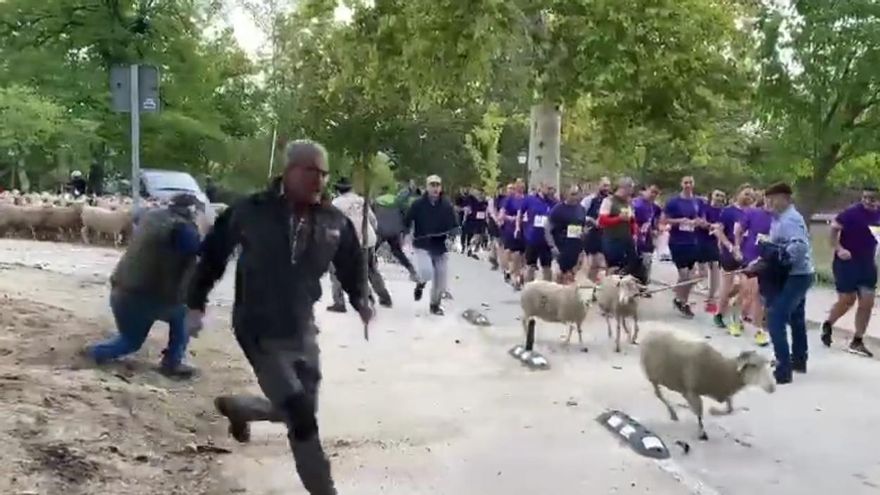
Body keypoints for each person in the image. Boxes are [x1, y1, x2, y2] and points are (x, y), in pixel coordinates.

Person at [187, 140, 371, 495]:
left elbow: (351, 263)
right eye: (310, 171)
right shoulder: (250, 211)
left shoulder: (334, 221)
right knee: (301, 417)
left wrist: (361, 297)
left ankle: (240, 407)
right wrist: (195, 303)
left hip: (302, 328)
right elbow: (212, 256)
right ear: (288, 172)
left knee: (298, 409)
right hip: (258, 328)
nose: (318, 180)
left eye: (323, 173)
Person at [84, 193, 202, 379]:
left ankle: (93, 353)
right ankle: (172, 363)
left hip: (121, 288)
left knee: (129, 340)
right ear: (192, 211)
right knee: (183, 317)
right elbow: (197, 252)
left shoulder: (150, 216)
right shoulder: (184, 230)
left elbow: (137, 214)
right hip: (146, 295)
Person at [760, 182, 814, 384]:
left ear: (785, 198)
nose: (769, 202)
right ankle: (799, 359)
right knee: (796, 317)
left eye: (772, 198)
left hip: (796, 275)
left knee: (776, 317)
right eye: (767, 199)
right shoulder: (779, 219)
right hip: (796, 274)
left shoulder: (790, 219)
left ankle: (783, 369)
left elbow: (798, 247)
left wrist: (780, 259)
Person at [823, 187, 880, 357]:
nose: (867, 201)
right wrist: (839, 248)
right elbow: (833, 229)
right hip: (846, 262)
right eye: (865, 198)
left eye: (872, 198)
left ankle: (857, 340)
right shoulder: (851, 213)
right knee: (847, 299)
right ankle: (828, 323)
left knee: (867, 302)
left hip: (867, 263)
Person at [713, 185, 769, 345]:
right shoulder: (730, 211)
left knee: (753, 292)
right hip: (734, 254)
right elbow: (724, 231)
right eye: (746, 193)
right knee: (735, 287)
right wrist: (732, 246)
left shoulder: (767, 215)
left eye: (752, 194)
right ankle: (721, 313)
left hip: (756, 257)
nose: (748, 197)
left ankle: (754, 326)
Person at [328, 177, 392, 310]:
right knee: (371, 270)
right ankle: (384, 297)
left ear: (337, 189)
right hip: (368, 239)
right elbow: (373, 220)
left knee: (337, 271)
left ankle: (340, 302)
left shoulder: (336, 204)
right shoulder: (361, 200)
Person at [405, 174, 459, 315]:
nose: (435, 188)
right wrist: (405, 234)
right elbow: (407, 220)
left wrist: (453, 237)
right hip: (422, 244)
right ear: (427, 187)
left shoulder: (446, 205)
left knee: (441, 281)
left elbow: (454, 225)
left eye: (437, 185)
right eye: (432, 185)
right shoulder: (418, 204)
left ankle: (434, 305)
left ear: (441, 187)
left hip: (440, 246)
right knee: (427, 272)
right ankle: (421, 284)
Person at [662, 176, 706, 318]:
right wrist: (679, 220)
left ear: (694, 184)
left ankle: (681, 299)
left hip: (692, 241)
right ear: (681, 184)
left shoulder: (698, 201)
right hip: (677, 241)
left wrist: (699, 222)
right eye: (685, 183)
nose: (688, 185)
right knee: (684, 274)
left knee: (692, 276)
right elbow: (664, 220)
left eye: (690, 183)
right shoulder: (674, 202)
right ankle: (682, 301)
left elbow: (702, 219)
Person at [735, 191, 773, 337]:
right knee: (748, 294)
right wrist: (737, 248)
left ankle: (759, 330)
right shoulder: (752, 213)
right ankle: (736, 320)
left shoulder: (780, 218)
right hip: (750, 258)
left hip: (768, 261)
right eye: (769, 198)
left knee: (760, 297)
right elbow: (738, 231)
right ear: (764, 199)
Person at [598, 177, 645, 284]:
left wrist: (635, 234)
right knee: (614, 267)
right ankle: (609, 289)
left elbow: (632, 221)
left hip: (627, 240)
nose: (632, 192)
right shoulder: (609, 201)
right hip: (612, 240)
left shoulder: (628, 203)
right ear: (624, 188)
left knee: (631, 266)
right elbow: (602, 220)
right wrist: (618, 218)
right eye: (631, 189)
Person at [546, 185, 588, 284]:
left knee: (572, 275)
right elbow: (548, 228)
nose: (575, 197)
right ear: (566, 195)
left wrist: (584, 233)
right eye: (572, 194)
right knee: (560, 274)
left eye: (577, 194)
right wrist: (552, 246)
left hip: (576, 246)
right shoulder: (558, 209)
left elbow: (583, 225)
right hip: (562, 245)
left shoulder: (581, 209)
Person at [373, 187, 418, 280]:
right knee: (397, 251)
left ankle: (368, 271)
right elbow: (406, 218)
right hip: (394, 231)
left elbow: (371, 216)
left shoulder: (376, 201)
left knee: (371, 251)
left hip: (380, 231)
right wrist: (405, 231)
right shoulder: (399, 202)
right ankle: (412, 271)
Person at [519, 183, 557, 283]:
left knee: (547, 266)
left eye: (552, 189)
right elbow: (520, 213)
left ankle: (547, 291)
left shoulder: (554, 202)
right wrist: (518, 228)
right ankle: (527, 289)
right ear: (541, 188)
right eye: (548, 188)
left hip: (546, 239)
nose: (551, 191)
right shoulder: (530, 199)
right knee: (530, 265)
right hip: (532, 237)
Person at [699, 190, 726, 314]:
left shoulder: (724, 212)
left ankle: (711, 299)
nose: (719, 198)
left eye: (722, 196)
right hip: (701, 240)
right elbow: (702, 223)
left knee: (715, 268)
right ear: (712, 196)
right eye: (717, 195)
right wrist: (713, 226)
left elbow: (725, 226)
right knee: (701, 272)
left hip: (715, 243)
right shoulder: (705, 207)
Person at [632, 184, 662, 290]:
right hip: (636, 236)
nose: (653, 195)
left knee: (647, 261)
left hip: (648, 238)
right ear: (646, 190)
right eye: (652, 191)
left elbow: (656, 221)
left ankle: (644, 285)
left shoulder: (655, 207)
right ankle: (634, 284)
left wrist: (656, 230)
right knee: (635, 261)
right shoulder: (636, 204)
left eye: (656, 193)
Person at [582, 177, 610, 282]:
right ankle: (590, 284)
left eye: (608, 185)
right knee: (592, 264)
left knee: (604, 264)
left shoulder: (610, 201)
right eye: (604, 185)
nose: (606, 188)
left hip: (606, 235)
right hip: (592, 235)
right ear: (599, 185)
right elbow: (580, 214)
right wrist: (591, 220)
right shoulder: (590, 200)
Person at [500, 181, 527, 288]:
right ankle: (511, 272)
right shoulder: (509, 200)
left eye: (522, 187)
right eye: (519, 187)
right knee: (512, 252)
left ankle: (518, 273)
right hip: (511, 229)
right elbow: (502, 214)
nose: (521, 188)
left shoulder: (526, 199)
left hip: (525, 228)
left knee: (522, 255)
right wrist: (511, 218)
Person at [462, 187, 489, 258]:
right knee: (473, 234)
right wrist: (465, 217)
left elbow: (486, 211)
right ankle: (469, 248)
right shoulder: (470, 199)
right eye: (479, 192)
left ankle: (472, 248)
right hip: (472, 219)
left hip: (481, 220)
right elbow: (467, 208)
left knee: (479, 235)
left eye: (481, 193)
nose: (480, 194)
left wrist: (486, 219)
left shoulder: (484, 201)